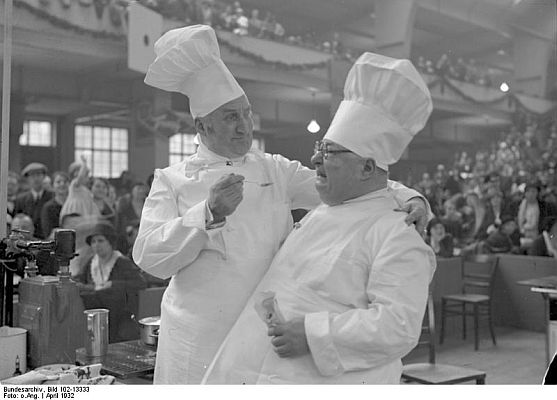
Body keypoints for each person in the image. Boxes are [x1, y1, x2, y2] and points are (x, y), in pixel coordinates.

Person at [133, 25, 430, 384]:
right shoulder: (171, 179)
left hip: (262, 339)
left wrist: (409, 196)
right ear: (202, 126)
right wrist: (207, 214)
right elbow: (149, 257)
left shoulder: (274, 169)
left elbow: (351, 179)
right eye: (230, 117)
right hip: (199, 337)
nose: (245, 127)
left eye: (246, 113)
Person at [202, 52, 436, 384]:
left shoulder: (396, 233)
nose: (314, 158)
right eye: (319, 148)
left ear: (367, 167)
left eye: (329, 153)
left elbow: (398, 326)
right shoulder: (323, 210)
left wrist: (313, 334)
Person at [75, 221, 146, 342]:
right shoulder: (91, 262)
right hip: (95, 315)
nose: (97, 245)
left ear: (110, 242)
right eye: (93, 242)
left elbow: (140, 283)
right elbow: (80, 279)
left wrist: (113, 284)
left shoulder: (122, 262)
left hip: (120, 316)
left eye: (101, 241)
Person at [14, 163, 54, 239]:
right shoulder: (21, 199)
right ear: (27, 179)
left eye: (38, 175)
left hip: (47, 240)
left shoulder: (52, 196)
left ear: (44, 177)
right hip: (26, 240)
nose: (36, 179)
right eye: (32, 176)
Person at [41, 171, 70, 239]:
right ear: (52, 186)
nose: (62, 184)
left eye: (65, 181)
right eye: (58, 182)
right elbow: (48, 233)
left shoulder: (74, 205)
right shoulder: (47, 207)